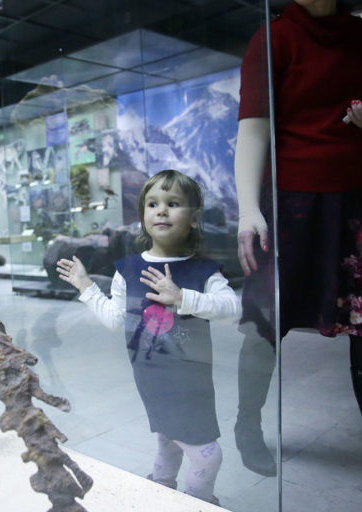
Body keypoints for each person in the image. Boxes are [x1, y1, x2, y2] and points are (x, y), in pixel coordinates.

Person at [234, 1, 362, 511]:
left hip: (354, 199)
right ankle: (247, 425)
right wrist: (246, 208)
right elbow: (253, 128)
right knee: (266, 325)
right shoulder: (274, 36)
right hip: (288, 203)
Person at [56, 169, 240, 505]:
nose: (162, 210)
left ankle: (181, 494)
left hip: (191, 382)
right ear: (143, 216)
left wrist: (183, 297)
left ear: (195, 218)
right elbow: (115, 319)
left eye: (173, 203)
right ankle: (170, 492)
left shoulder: (203, 271)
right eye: (153, 203)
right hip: (150, 378)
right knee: (176, 441)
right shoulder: (127, 268)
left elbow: (232, 308)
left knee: (200, 452)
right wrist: (85, 285)